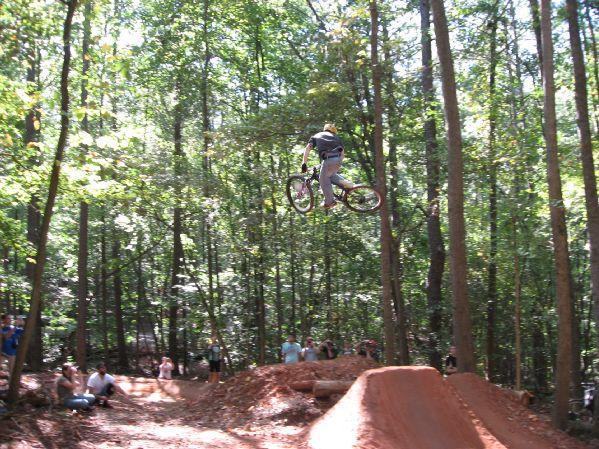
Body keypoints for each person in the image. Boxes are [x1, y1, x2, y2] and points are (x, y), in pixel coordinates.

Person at [301, 123, 353, 209]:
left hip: (328, 160)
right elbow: (342, 155)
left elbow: (308, 148)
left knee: (323, 180)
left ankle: (329, 202)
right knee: (330, 175)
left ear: (324, 129)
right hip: (338, 160)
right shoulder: (337, 138)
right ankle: (346, 183)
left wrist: (304, 163)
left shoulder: (317, 136)